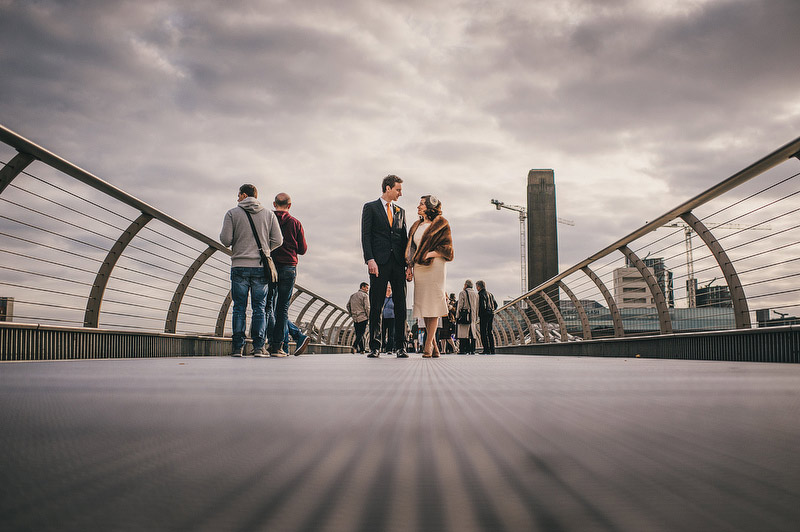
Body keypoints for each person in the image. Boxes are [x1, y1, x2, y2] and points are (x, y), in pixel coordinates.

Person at [220, 183, 283, 357]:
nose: (237, 198)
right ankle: (258, 347)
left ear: (243, 195)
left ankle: (237, 348)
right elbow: (278, 240)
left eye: (238, 195)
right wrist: (265, 249)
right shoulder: (269, 214)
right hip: (260, 267)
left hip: (239, 265)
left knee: (239, 308)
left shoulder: (232, 213)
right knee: (259, 308)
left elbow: (225, 240)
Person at [361, 175, 409, 358]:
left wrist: (408, 265)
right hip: (378, 263)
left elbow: (403, 238)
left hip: (398, 263)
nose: (400, 193)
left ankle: (401, 346)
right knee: (376, 304)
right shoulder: (370, 207)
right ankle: (375, 345)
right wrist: (369, 259)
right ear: (387, 188)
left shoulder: (400, 211)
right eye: (398, 189)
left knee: (401, 305)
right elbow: (366, 235)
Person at [405, 195, 454, 358]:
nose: (418, 206)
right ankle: (434, 346)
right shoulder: (416, 225)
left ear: (430, 207)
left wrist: (430, 253)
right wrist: (409, 266)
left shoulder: (442, 223)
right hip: (419, 267)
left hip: (436, 266)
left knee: (433, 304)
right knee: (424, 306)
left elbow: (448, 248)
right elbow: (411, 247)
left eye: (421, 204)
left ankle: (427, 346)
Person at [266, 192, 310, 356]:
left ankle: (275, 344)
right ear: (290, 206)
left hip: (270, 267)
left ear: (274, 203)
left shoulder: (267, 220)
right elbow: (303, 249)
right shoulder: (295, 223)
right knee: (282, 308)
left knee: (267, 306)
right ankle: (280, 345)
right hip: (289, 267)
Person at [456, 279, 479, 354]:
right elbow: (477, 307)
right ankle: (472, 349)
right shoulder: (476, 294)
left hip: (465, 315)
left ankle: (463, 349)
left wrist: (457, 316)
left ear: (466, 285)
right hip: (473, 316)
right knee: (472, 333)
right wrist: (476, 316)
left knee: (463, 333)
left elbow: (460, 305)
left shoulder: (462, 293)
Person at [347, 282, 370, 353]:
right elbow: (367, 307)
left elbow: (348, 306)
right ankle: (354, 346)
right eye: (366, 288)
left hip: (355, 318)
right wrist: (369, 317)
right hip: (363, 317)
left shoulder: (353, 295)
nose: (367, 290)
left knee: (358, 333)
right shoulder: (365, 296)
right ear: (362, 287)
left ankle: (362, 349)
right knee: (361, 333)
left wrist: (351, 314)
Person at [476, 280, 498, 355]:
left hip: (484, 314)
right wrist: (491, 310)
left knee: (483, 332)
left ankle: (486, 349)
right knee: (490, 331)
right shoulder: (490, 294)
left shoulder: (480, 294)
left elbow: (482, 305)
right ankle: (492, 349)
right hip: (491, 314)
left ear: (478, 287)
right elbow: (495, 305)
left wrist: (479, 314)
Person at [381, 286, 395, 353]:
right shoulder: (382, 297)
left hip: (392, 318)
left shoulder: (393, 297)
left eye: (390, 288)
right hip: (383, 317)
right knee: (382, 333)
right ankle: (383, 347)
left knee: (391, 334)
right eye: (387, 287)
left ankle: (389, 349)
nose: (389, 289)